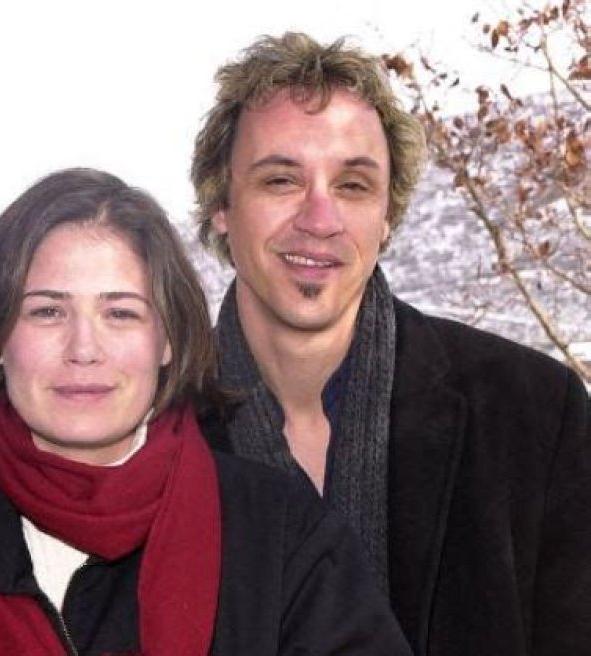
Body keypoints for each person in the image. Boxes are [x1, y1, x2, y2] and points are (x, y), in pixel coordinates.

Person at [0, 168, 411, 655]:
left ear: (168, 339)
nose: (84, 348)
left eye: (121, 313)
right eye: (48, 311)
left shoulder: (284, 539)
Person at [191, 32, 591, 656]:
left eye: (353, 186)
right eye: (281, 180)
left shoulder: (535, 413)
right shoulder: (149, 433)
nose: (319, 220)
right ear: (222, 204)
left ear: (386, 216)